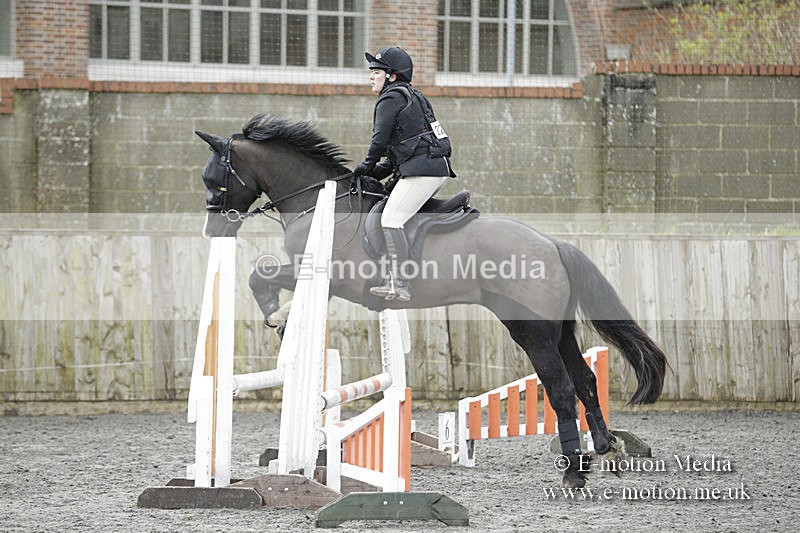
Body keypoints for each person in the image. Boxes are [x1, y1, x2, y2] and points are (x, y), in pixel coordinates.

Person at [353, 46, 456, 302]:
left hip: (424, 171)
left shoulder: (391, 98)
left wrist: (365, 166)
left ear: (392, 75)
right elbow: (404, 145)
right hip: (432, 167)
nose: (371, 76)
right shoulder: (414, 96)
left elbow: (379, 141)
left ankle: (400, 281)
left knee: (391, 219)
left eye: (376, 71)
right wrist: (379, 171)